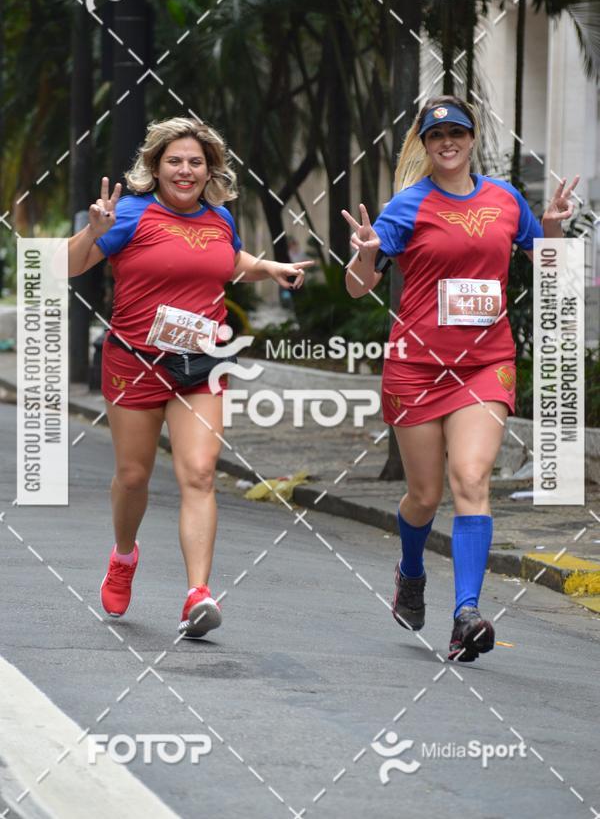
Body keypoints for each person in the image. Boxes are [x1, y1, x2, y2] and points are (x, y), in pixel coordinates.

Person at [343, 95, 579, 662]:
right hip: (417, 367)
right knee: (424, 495)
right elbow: (357, 287)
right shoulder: (408, 205)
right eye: (436, 135)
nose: (447, 142)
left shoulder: (505, 199)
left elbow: (551, 268)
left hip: (484, 363)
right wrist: (367, 255)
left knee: (471, 478)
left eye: (456, 132)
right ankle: (411, 571)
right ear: (425, 146)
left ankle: (466, 614)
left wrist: (550, 231)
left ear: (472, 139)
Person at [68, 117, 312, 638]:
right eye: (174, 161)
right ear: (155, 168)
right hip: (135, 361)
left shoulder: (219, 218)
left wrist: (267, 268)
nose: (185, 170)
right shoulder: (129, 213)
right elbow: (67, 266)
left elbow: (228, 261)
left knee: (199, 474)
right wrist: (93, 231)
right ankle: (124, 555)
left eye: (195, 162)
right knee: (133, 476)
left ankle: (198, 594)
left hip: (201, 364)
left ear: (209, 170)